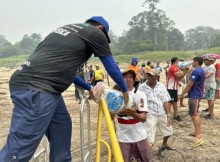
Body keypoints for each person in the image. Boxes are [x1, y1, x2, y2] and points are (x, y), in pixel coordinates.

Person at [0, 16, 129, 162]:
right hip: (37, 88)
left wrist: (89, 88)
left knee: (61, 127)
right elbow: (111, 66)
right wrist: (125, 91)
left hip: (43, 87)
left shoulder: (65, 31)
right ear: (101, 28)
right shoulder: (96, 33)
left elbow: (69, 72)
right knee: (19, 149)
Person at [111, 69, 152, 162]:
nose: (127, 79)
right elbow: (110, 118)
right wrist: (113, 109)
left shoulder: (140, 95)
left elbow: (143, 118)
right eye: (125, 77)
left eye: (130, 77)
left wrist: (132, 113)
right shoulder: (116, 96)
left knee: (146, 160)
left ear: (134, 80)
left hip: (140, 136)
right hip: (123, 137)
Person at [138, 69, 174, 154]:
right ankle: (147, 156)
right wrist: (142, 114)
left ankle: (164, 143)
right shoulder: (141, 87)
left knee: (168, 131)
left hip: (161, 113)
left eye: (152, 75)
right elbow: (140, 103)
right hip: (150, 114)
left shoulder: (161, 86)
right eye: (148, 75)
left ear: (157, 77)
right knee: (149, 138)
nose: (150, 77)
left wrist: (168, 115)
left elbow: (165, 101)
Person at [179, 57, 205, 147]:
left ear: (196, 62)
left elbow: (190, 84)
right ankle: (197, 132)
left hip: (195, 95)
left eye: (193, 61)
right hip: (196, 94)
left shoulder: (196, 71)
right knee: (194, 113)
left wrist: (182, 94)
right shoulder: (200, 70)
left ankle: (198, 136)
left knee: (195, 114)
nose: (192, 63)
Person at [166, 57, 188, 122]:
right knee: (170, 102)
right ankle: (167, 115)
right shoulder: (173, 67)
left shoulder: (176, 67)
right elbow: (179, 76)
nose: (179, 63)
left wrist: (183, 72)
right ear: (175, 61)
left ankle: (175, 115)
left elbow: (180, 77)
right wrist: (184, 71)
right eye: (178, 61)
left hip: (174, 87)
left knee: (175, 102)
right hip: (171, 87)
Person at [202, 55, 216, 119]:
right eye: (204, 60)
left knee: (210, 99)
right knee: (208, 99)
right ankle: (210, 112)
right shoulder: (205, 67)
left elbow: (208, 75)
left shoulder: (212, 67)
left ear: (210, 61)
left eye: (206, 60)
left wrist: (200, 78)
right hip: (206, 85)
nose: (204, 61)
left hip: (210, 85)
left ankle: (212, 113)